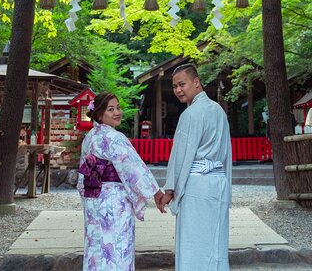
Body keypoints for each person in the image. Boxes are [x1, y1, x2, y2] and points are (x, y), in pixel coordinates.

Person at [77, 92, 165, 271]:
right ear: (100, 114)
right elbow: (134, 168)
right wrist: (155, 192)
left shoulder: (90, 137)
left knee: (96, 247)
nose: (117, 112)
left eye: (118, 107)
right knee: (116, 247)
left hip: (93, 199)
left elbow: (82, 177)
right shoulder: (114, 138)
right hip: (114, 202)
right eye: (111, 109)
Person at [160, 64, 232, 270]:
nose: (178, 90)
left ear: (196, 82)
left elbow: (181, 155)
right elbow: (227, 152)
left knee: (193, 242)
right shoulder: (218, 111)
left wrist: (170, 188)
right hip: (218, 182)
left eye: (181, 84)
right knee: (216, 240)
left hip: (197, 185)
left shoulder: (190, 114)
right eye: (174, 86)